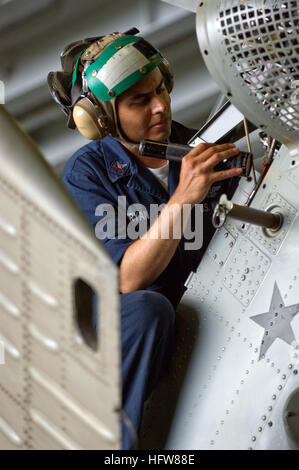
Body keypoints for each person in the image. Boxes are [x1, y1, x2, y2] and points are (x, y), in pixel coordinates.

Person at [48, 30, 242, 449]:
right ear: (100, 119)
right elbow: (127, 280)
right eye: (139, 100)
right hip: (128, 336)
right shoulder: (88, 174)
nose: (160, 107)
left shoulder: (205, 150)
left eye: (161, 90)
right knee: (146, 309)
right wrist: (185, 196)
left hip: (209, 320)